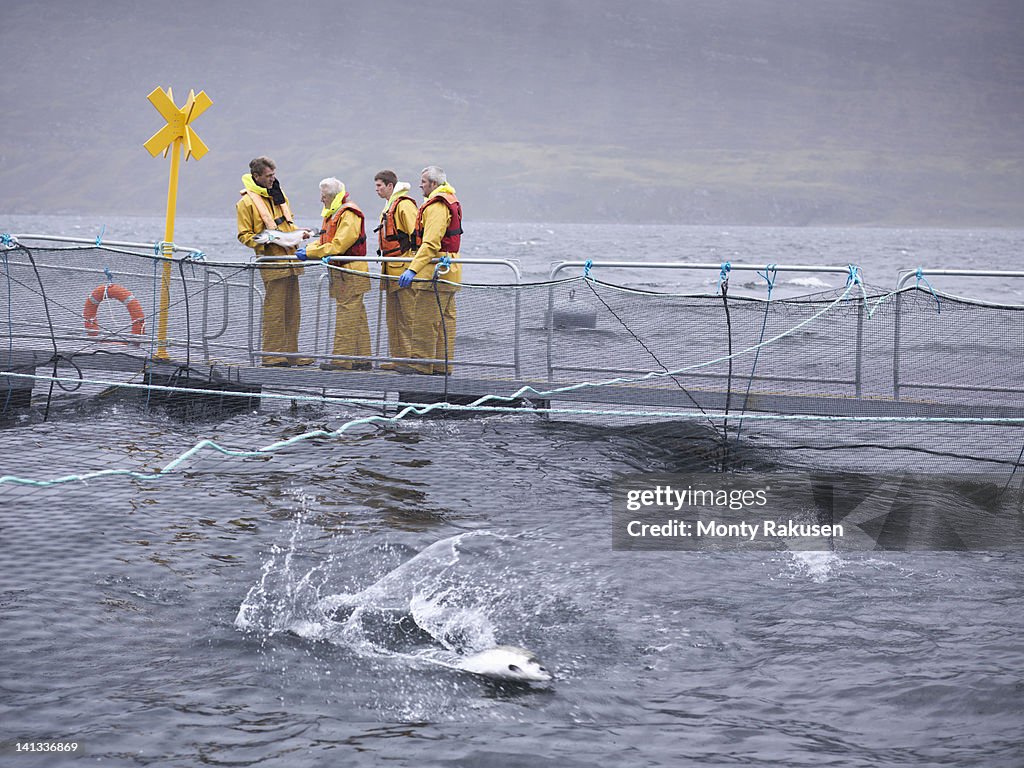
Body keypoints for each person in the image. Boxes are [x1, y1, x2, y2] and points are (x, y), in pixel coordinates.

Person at [236, 156, 314, 367]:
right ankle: (271, 355)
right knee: (274, 311)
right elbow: (244, 235)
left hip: (292, 262)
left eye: (274, 175)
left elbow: (288, 226)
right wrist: (266, 242)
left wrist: (300, 234)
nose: (273, 179)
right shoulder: (246, 203)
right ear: (256, 176)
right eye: (269, 176)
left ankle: (291, 353)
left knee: (293, 311)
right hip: (272, 264)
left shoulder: (280, 197)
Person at [296, 178, 372, 370]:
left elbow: (339, 245)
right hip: (343, 270)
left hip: (351, 269)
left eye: (324, 196)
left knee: (346, 315)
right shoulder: (334, 212)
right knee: (357, 315)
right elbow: (323, 240)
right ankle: (361, 359)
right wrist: (308, 248)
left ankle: (342, 360)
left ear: (332, 196)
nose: (321, 200)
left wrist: (311, 253)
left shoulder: (348, 213)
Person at [396, 166, 463, 375]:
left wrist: (412, 269)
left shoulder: (436, 206)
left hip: (434, 271)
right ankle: (442, 366)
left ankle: (420, 364)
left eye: (423, 181)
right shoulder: (448, 200)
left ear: (433, 184)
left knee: (425, 320)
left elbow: (431, 243)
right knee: (445, 323)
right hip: (449, 270)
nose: (420, 185)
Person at [373, 170, 418, 370]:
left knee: (408, 316)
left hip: (403, 267)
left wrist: (413, 266)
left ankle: (412, 358)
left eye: (380, 186)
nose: (377, 189)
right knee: (394, 317)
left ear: (391, 186)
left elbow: (416, 235)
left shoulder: (404, 205)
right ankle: (398, 358)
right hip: (390, 268)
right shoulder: (389, 206)